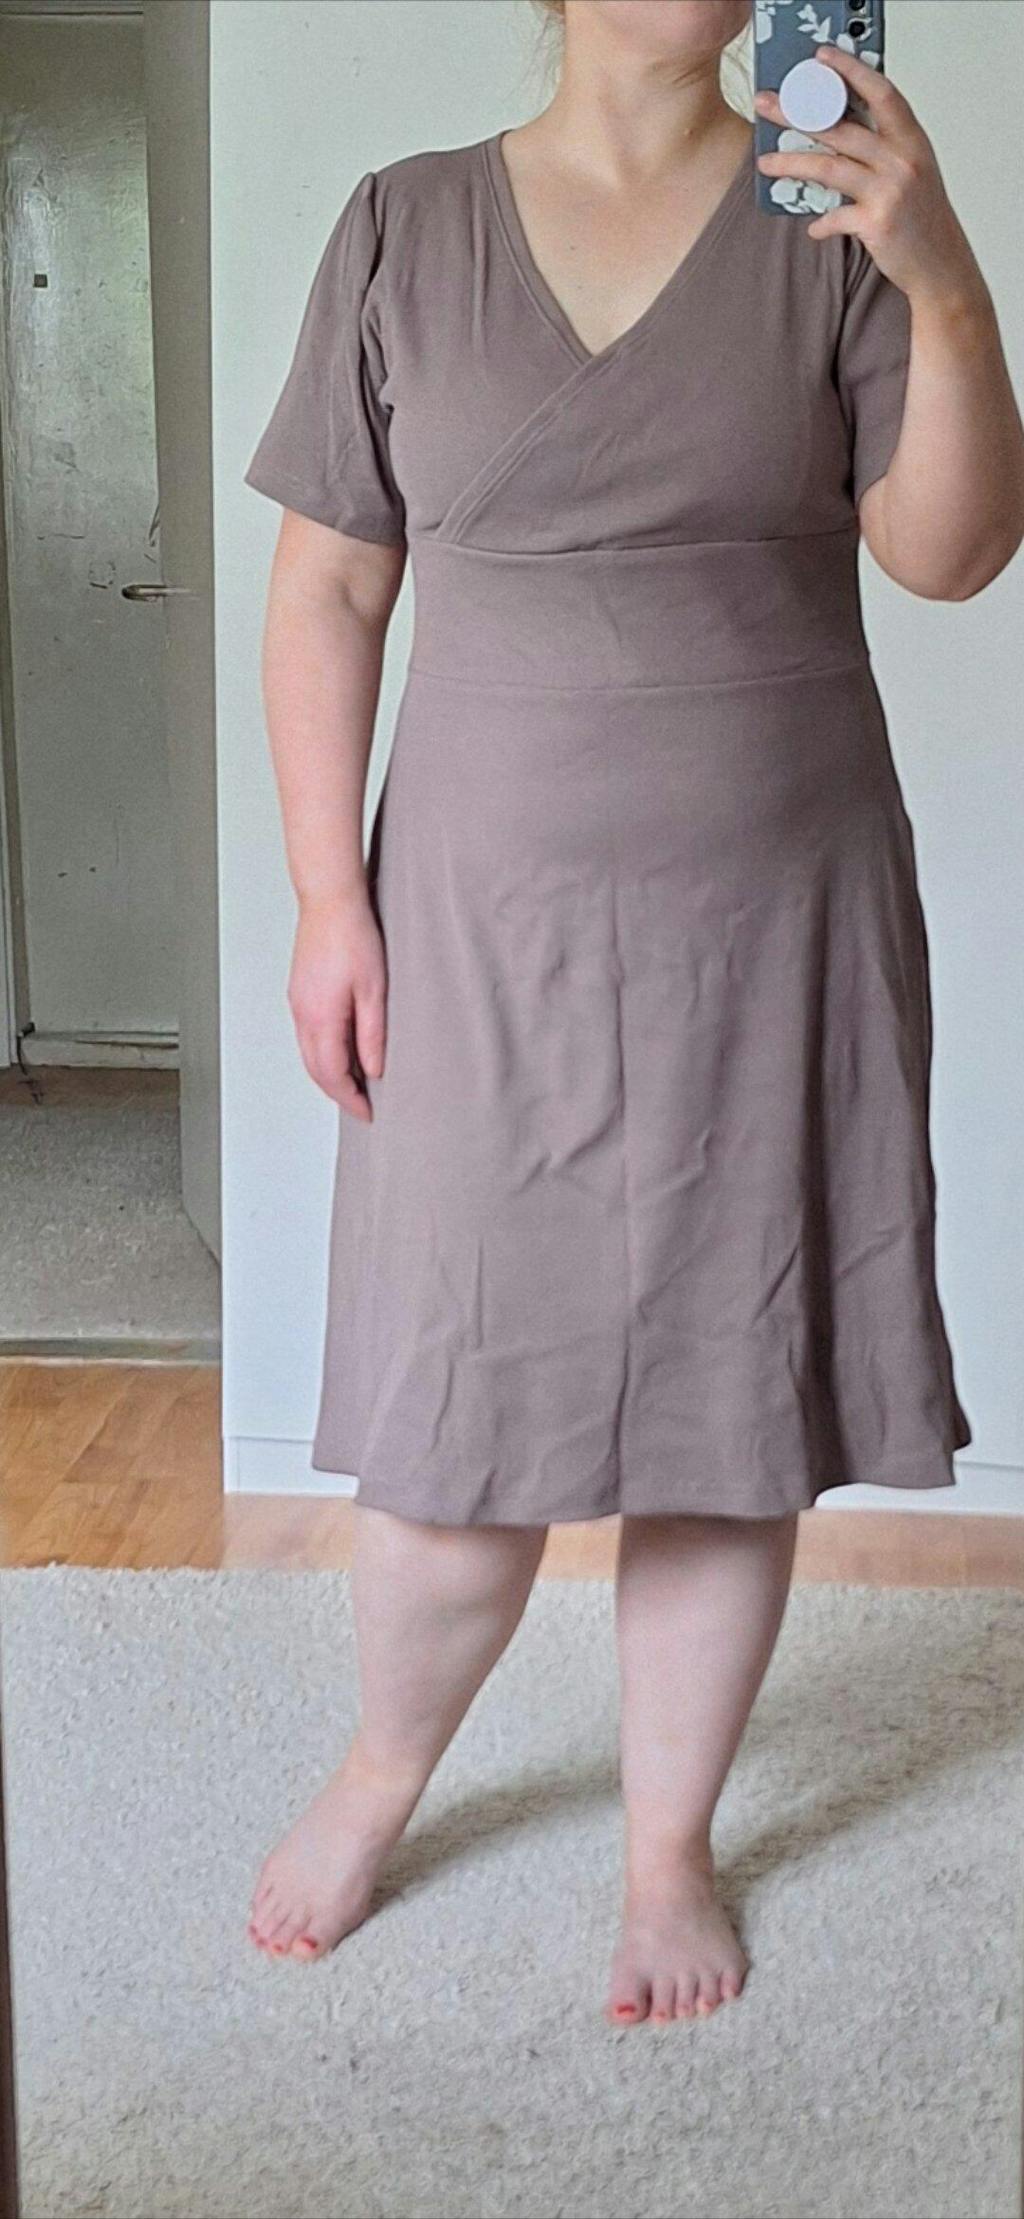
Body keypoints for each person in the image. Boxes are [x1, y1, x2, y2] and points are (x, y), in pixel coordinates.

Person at [242, 0, 1023, 2023]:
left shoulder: (831, 219)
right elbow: (328, 588)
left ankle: (668, 1845)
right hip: (472, 919)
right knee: (452, 1420)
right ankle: (382, 1769)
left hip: (773, 915)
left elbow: (948, 554)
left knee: (725, 1406)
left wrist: (939, 275)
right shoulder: (403, 223)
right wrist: (327, 900)